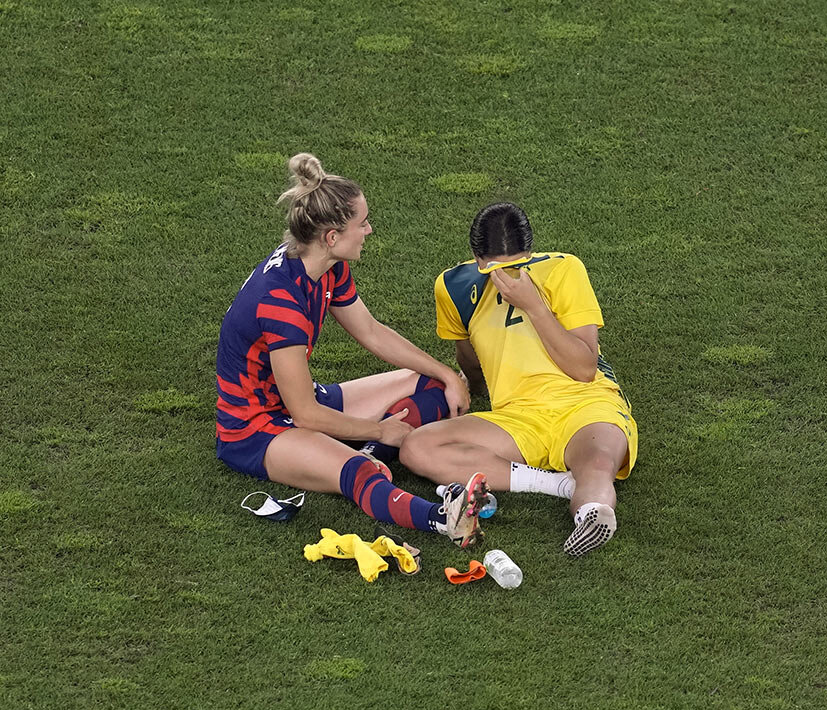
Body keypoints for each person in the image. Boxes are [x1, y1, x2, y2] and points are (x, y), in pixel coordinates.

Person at [214, 153, 488, 547]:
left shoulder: (324, 264)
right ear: (331, 236)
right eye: (362, 223)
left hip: (300, 400)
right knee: (358, 473)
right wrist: (380, 428)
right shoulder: (281, 303)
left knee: (428, 384)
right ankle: (444, 519)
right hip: (256, 429)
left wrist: (447, 374)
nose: (369, 230)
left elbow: (372, 332)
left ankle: (374, 450)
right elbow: (304, 415)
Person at [399, 202, 638, 556]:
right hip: (516, 418)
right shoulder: (452, 285)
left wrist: (535, 306)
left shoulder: (563, 269)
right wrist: (467, 387)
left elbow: (585, 368)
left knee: (599, 464)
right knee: (417, 447)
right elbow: (469, 359)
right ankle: (558, 485)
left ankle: (590, 514)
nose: (511, 274)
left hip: (585, 403)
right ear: (478, 262)